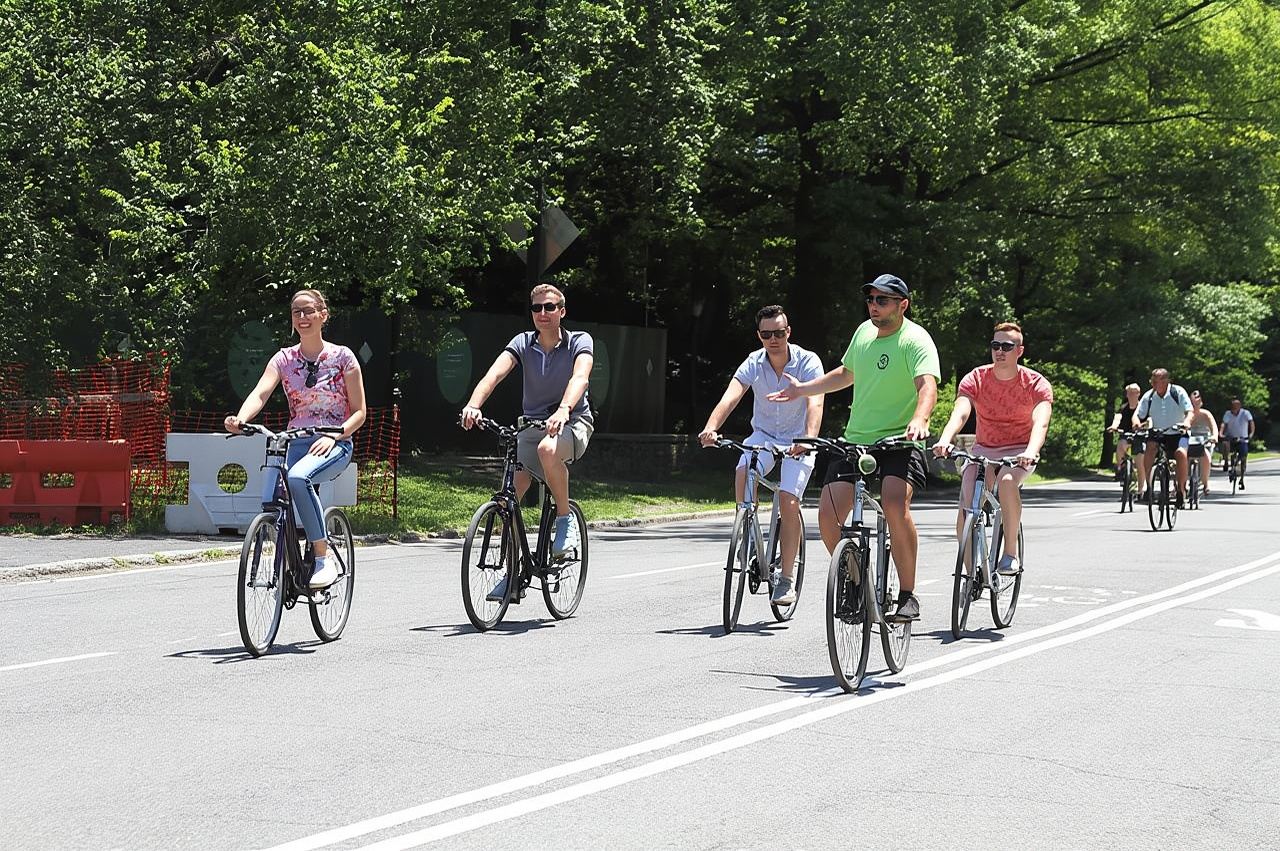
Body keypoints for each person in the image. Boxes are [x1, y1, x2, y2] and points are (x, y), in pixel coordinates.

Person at [768, 273, 939, 622]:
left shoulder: (915, 340)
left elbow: (927, 386)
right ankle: (856, 581)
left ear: (902, 305)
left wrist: (920, 420)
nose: (874, 306)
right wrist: (804, 390)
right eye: (871, 300)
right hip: (857, 439)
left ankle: (907, 594)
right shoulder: (863, 332)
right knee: (828, 516)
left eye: (883, 300)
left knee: (893, 504)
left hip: (899, 441)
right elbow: (846, 374)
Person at [225, 289, 367, 588]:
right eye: (296, 312)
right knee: (272, 494)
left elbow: (359, 413)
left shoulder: (343, 357)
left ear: (322, 315)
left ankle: (321, 557)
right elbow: (261, 392)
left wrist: (336, 435)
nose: (302, 317)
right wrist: (241, 419)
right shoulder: (284, 358)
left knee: (298, 477)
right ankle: (287, 556)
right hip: (295, 440)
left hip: (334, 443)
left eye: (308, 311)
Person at [460, 283, 593, 600]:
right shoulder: (522, 343)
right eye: (537, 308)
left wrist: (564, 409)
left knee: (549, 450)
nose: (543, 314)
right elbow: (494, 375)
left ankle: (564, 520)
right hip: (532, 426)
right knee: (508, 501)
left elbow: (581, 378)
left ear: (562, 311)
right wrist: (473, 405)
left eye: (549, 307)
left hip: (572, 422)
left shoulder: (579, 341)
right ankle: (515, 574)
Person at [698, 305, 825, 606]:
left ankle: (787, 579)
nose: (774, 339)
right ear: (759, 336)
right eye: (767, 334)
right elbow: (731, 396)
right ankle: (748, 532)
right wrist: (711, 428)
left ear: (788, 332)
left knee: (787, 499)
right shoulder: (754, 363)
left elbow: (815, 404)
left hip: (798, 441)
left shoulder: (808, 362)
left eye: (779, 333)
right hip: (765, 437)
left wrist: (807, 440)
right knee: (744, 470)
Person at [932, 322, 1052, 577]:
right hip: (984, 450)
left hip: (1020, 451)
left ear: (1019, 351)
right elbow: (961, 411)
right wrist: (945, 438)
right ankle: (969, 575)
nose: (1000, 351)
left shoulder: (1034, 382)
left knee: (1008, 482)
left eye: (1007, 346)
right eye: (995, 345)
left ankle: (1010, 554)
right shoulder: (977, 377)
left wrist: (1030, 450)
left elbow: (1041, 421)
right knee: (967, 501)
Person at [1135, 368, 1193, 506]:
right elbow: (1138, 414)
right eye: (1153, 380)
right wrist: (1136, 423)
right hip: (1158, 432)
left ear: (1166, 381)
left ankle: (1181, 489)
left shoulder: (1177, 392)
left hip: (1178, 432)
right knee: (1150, 447)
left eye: (1158, 380)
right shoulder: (1149, 396)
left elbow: (1189, 412)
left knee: (1180, 453)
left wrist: (1186, 422)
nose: (1154, 383)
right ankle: (1149, 485)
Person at [1107, 383, 1143, 487]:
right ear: (1126, 394)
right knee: (1121, 445)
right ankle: (1121, 468)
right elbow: (1117, 417)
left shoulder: (1142, 408)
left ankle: (1139, 479)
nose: (1131, 395)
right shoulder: (1123, 407)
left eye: (1134, 392)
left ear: (1138, 394)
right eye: (1129, 393)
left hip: (1140, 435)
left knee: (1139, 456)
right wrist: (1113, 426)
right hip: (1125, 433)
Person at [1220, 397, 1256, 489]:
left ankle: (1242, 480)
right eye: (1233, 405)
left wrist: (1251, 434)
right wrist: (1221, 433)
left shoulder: (1245, 413)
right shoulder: (1228, 414)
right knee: (1225, 444)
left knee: (1243, 458)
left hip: (1243, 438)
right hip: (1231, 437)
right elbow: (1224, 424)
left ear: (1239, 406)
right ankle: (1226, 462)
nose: (1234, 407)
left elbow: (1251, 423)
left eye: (1236, 405)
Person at [1188, 390, 1218, 495]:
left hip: (1205, 441)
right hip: (1190, 440)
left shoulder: (1205, 414)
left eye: (1197, 400)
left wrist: (1214, 436)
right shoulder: (1186, 414)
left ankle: (1205, 484)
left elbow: (1213, 426)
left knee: (1206, 457)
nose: (1195, 402)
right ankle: (1178, 485)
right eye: (1192, 400)